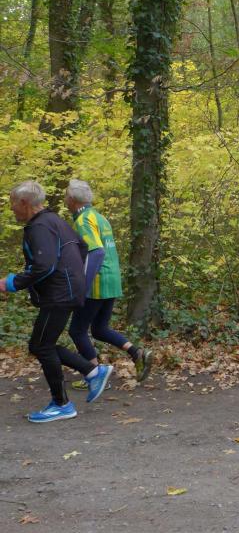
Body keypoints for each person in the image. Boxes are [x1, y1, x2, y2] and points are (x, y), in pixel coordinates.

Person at [0, 181, 113, 423]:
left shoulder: (39, 226)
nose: (11, 208)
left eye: (12, 203)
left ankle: (63, 403)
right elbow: (82, 248)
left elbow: (45, 264)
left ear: (24, 203)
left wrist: (12, 282)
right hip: (67, 291)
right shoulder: (55, 221)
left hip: (59, 294)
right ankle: (92, 372)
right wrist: (74, 278)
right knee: (42, 344)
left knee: (41, 345)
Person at [65, 180, 153, 385]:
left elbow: (97, 252)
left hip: (96, 283)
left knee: (77, 330)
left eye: (66, 196)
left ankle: (94, 375)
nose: (65, 200)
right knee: (99, 329)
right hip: (111, 280)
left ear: (73, 199)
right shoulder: (99, 217)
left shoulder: (83, 220)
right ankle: (137, 353)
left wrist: (82, 286)